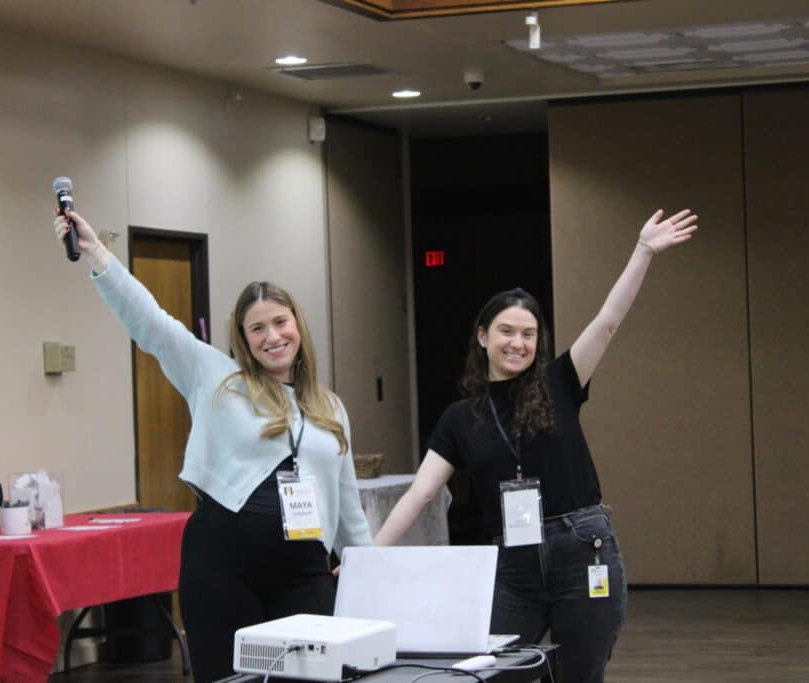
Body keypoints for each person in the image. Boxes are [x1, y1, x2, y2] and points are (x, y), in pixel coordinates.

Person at [374, 209, 698, 683]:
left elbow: (608, 321)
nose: (518, 343)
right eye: (506, 331)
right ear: (482, 337)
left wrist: (643, 251)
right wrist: (370, 555)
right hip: (513, 564)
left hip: (581, 550)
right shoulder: (460, 418)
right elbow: (421, 493)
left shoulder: (560, 381)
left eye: (529, 334)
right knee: (495, 672)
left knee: (579, 675)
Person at [52, 210, 372, 682]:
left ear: (298, 325)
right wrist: (98, 253)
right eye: (256, 328)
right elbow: (151, 323)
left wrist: (368, 571)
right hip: (224, 565)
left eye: (280, 322)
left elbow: (348, 510)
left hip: (304, 568)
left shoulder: (330, 408)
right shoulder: (216, 377)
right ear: (242, 339)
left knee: (318, 676)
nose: (272, 336)